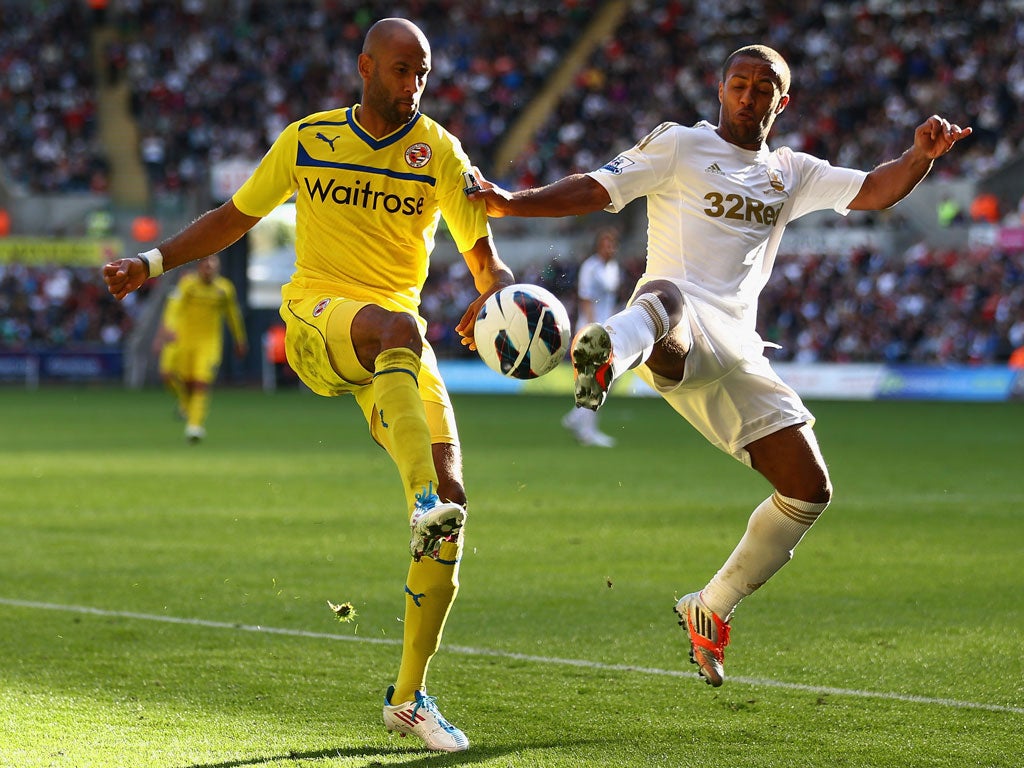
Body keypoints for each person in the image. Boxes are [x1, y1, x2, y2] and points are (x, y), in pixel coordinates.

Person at [471, 44, 971, 687]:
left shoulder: (790, 171)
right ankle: (607, 358)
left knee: (808, 488)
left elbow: (875, 190)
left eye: (764, 89)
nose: (749, 96)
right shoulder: (680, 145)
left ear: (780, 102)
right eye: (739, 84)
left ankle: (710, 606)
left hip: (737, 349)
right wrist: (512, 202)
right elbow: (599, 186)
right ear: (720, 89)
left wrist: (920, 157)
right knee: (667, 297)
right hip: (667, 328)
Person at [101, 18, 514, 751]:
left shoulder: (440, 153)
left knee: (454, 505)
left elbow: (484, 257)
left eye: (421, 72)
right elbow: (235, 216)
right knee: (398, 333)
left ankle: (410, 697)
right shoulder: (309, 139)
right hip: (319, 318)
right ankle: (419, 498)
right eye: (398, 70)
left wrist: (497, 294)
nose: (412, 85)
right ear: (364, 67)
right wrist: (152, 263)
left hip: (392, 343)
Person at [163, 255, 248, 442]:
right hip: (184, 341)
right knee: (173, 378)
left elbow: (233, 315)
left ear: (217, 269)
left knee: (200, 383)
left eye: (213, 266)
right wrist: (169, 327)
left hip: (209, 344)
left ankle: (194, 426)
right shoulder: (187, 284)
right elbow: (174, 307)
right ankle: (185, 405)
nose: (209, 269)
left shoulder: (224, 289)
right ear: (199, 267)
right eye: (206, 265)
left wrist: (240, 339)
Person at [561, 226, 622, 447]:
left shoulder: (613, 268)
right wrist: (593, 328)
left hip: (607, 327)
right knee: (596, 379)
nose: (611, 248)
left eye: (613, 244)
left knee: (609, 377)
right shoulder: (590, 267)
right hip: (591, 328)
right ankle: (588, 431)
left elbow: (611, 299)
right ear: (599, 246)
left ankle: (575, 417)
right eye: (607, 243)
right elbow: (585, 298)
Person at [152, 288, 187, 420]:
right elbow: (165, 319)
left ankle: (185, 406)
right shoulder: (173, 295)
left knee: (183, 375)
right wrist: (159, 339)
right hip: (169, 342)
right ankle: (184, 400)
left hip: (184, 340)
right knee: (165, 374)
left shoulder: (194, 296)